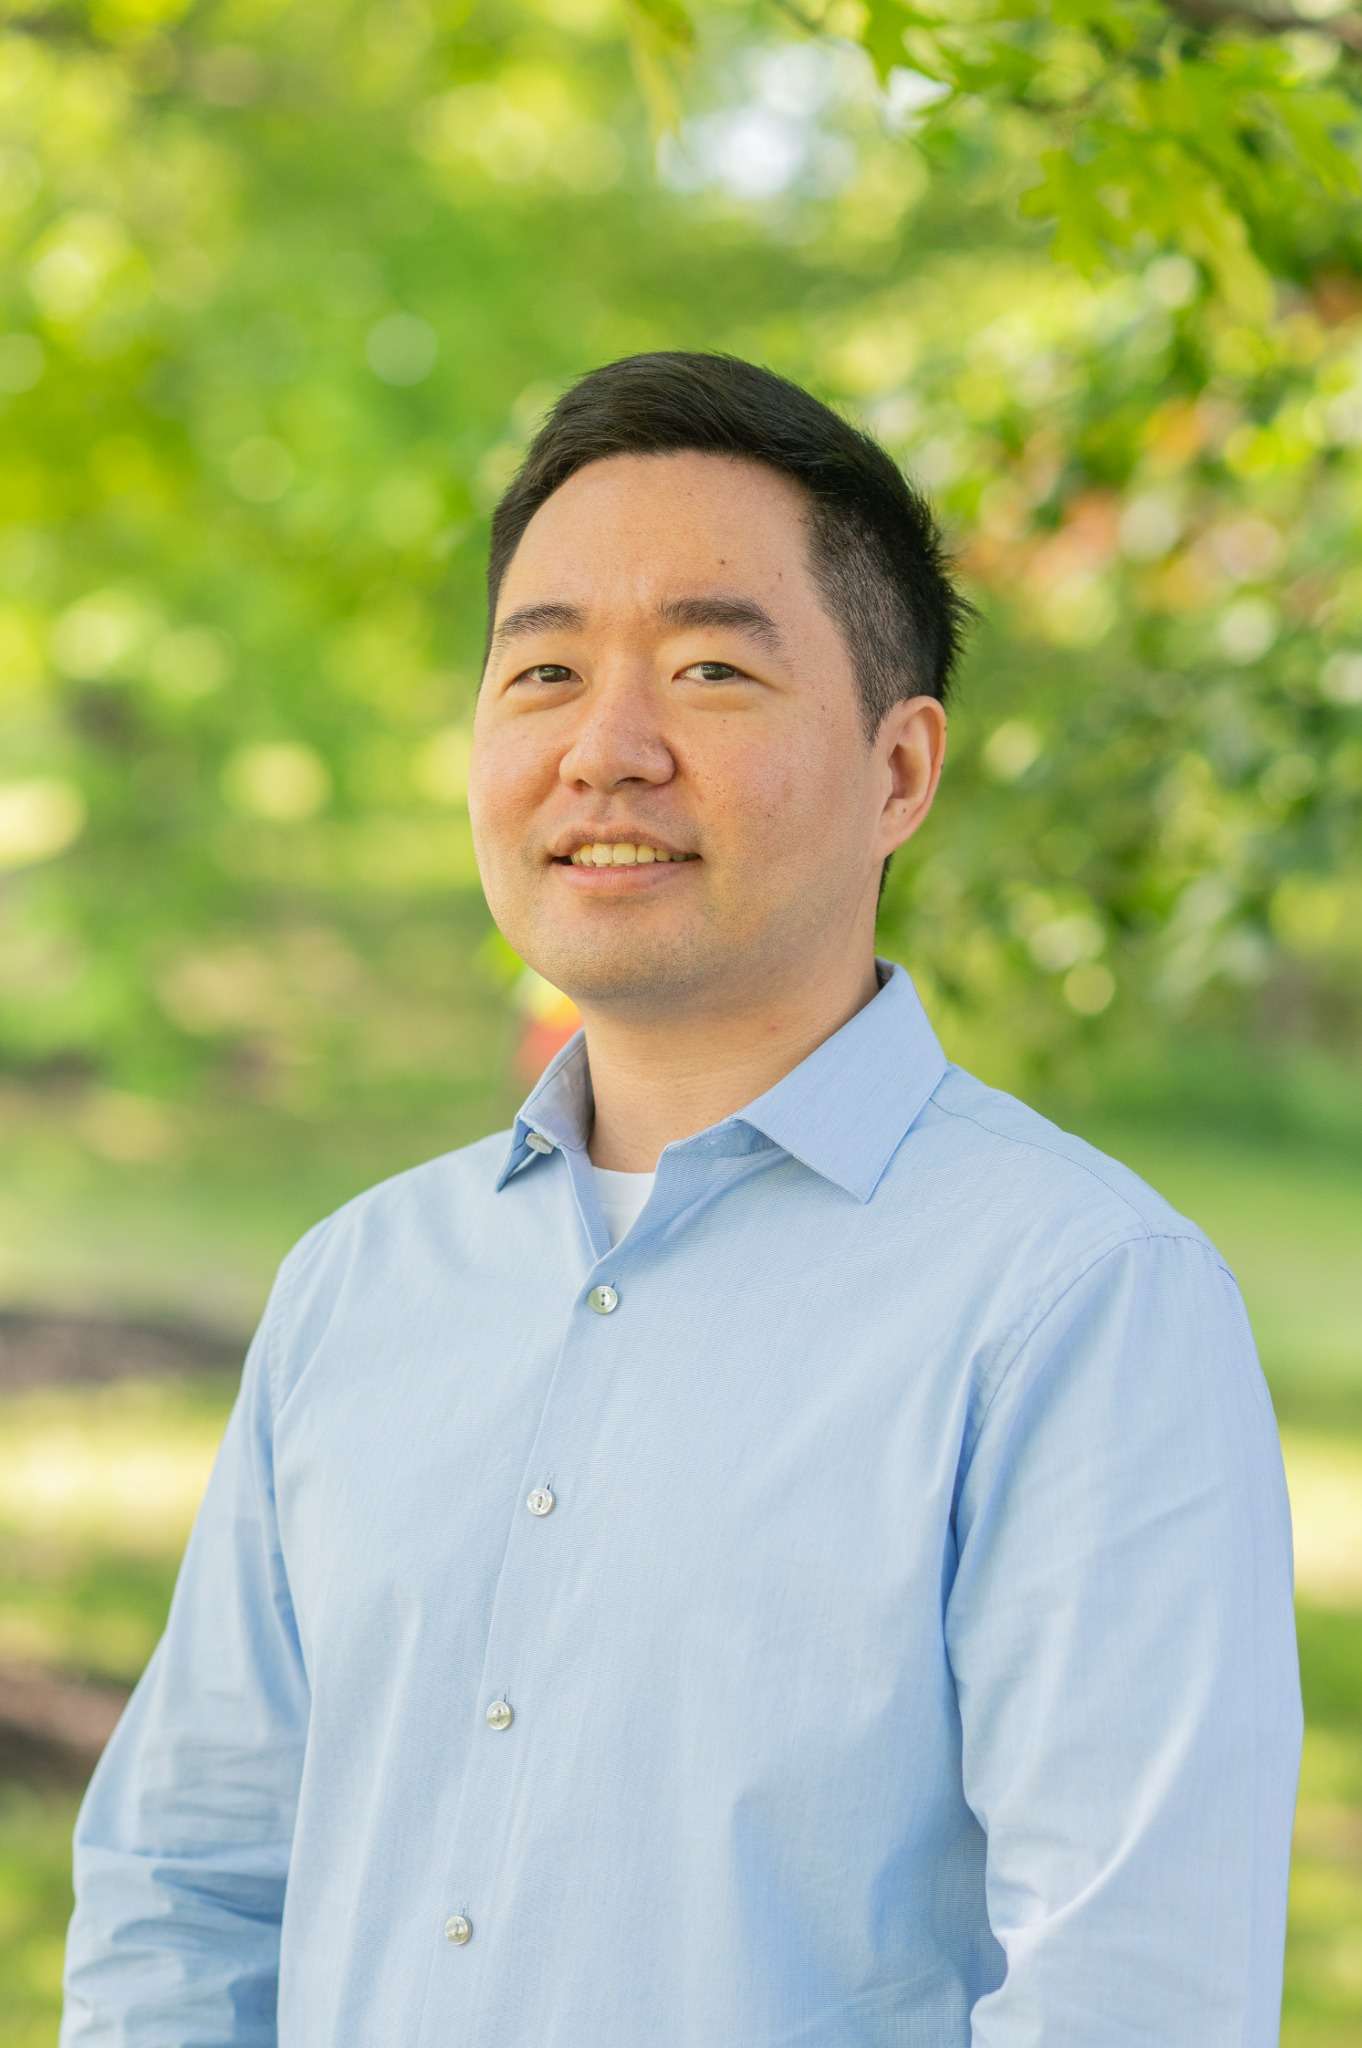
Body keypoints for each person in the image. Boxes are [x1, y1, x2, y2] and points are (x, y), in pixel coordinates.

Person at [59, 349, 1303, 2046]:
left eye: (712, 668)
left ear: (899, 771)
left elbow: (1127, 1993)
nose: (606, 750)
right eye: (544, 671)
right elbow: (187, 1894)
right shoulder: (361, 1281)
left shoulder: (1074, 1300)